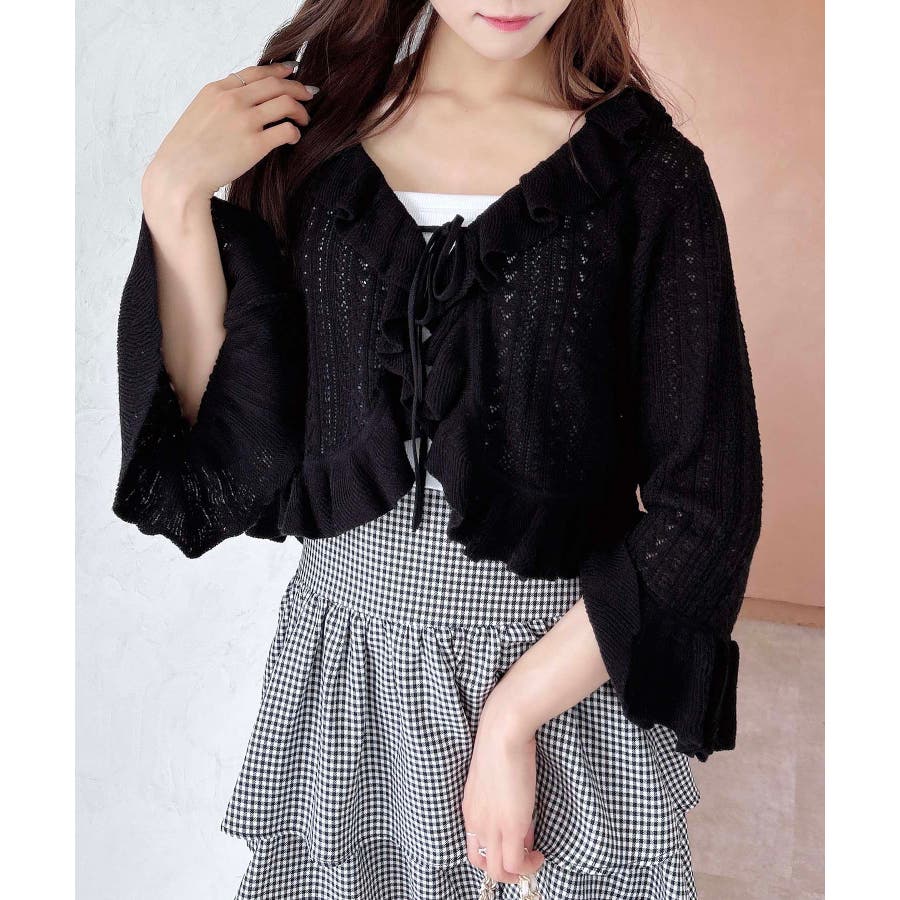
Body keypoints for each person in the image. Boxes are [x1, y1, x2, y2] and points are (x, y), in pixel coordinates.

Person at [112, 2, 763, 898]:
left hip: (561, 687)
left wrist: (513, 718)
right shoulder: (310, 146)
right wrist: (174, 197)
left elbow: (709, 510)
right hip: (346, 685)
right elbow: (222, 460)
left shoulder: (650, 177)